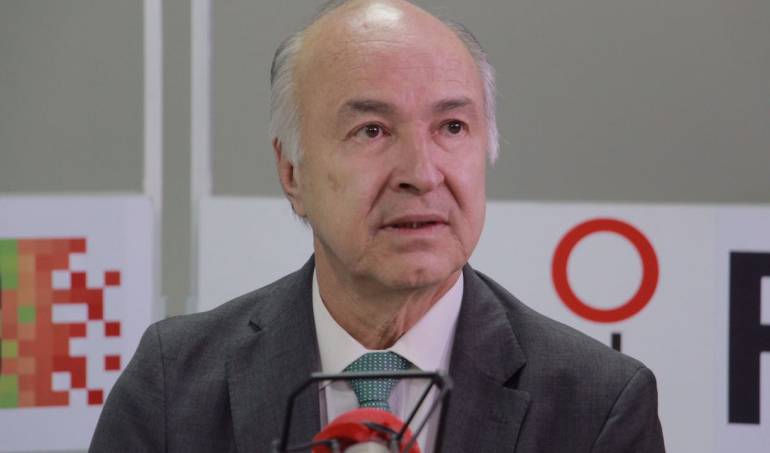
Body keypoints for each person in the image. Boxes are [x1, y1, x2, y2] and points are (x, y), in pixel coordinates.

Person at [91, 1, 665, 452]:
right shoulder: (173, 384)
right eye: (372, 131)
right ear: (292, 172)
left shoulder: (598, 405)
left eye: (452, 127)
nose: (422, 174)